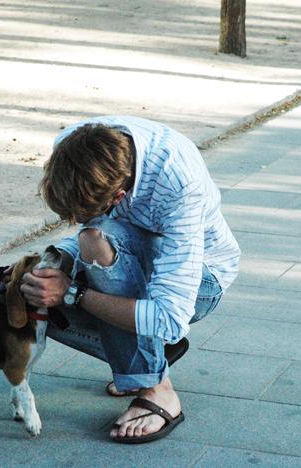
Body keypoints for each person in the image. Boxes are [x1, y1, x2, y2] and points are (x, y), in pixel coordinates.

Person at [16, 116, 240, 444]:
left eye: (81, 214)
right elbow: (92, 230)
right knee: (29, 293)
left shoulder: (179, 183)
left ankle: (159, 390)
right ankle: (145, 355)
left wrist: (72, 292)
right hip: (136, 257)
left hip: (201, 280)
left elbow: (168, 316)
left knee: (94, 245)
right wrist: (54, 263)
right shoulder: (75, 147)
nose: (76, 221)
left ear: (118, 196)